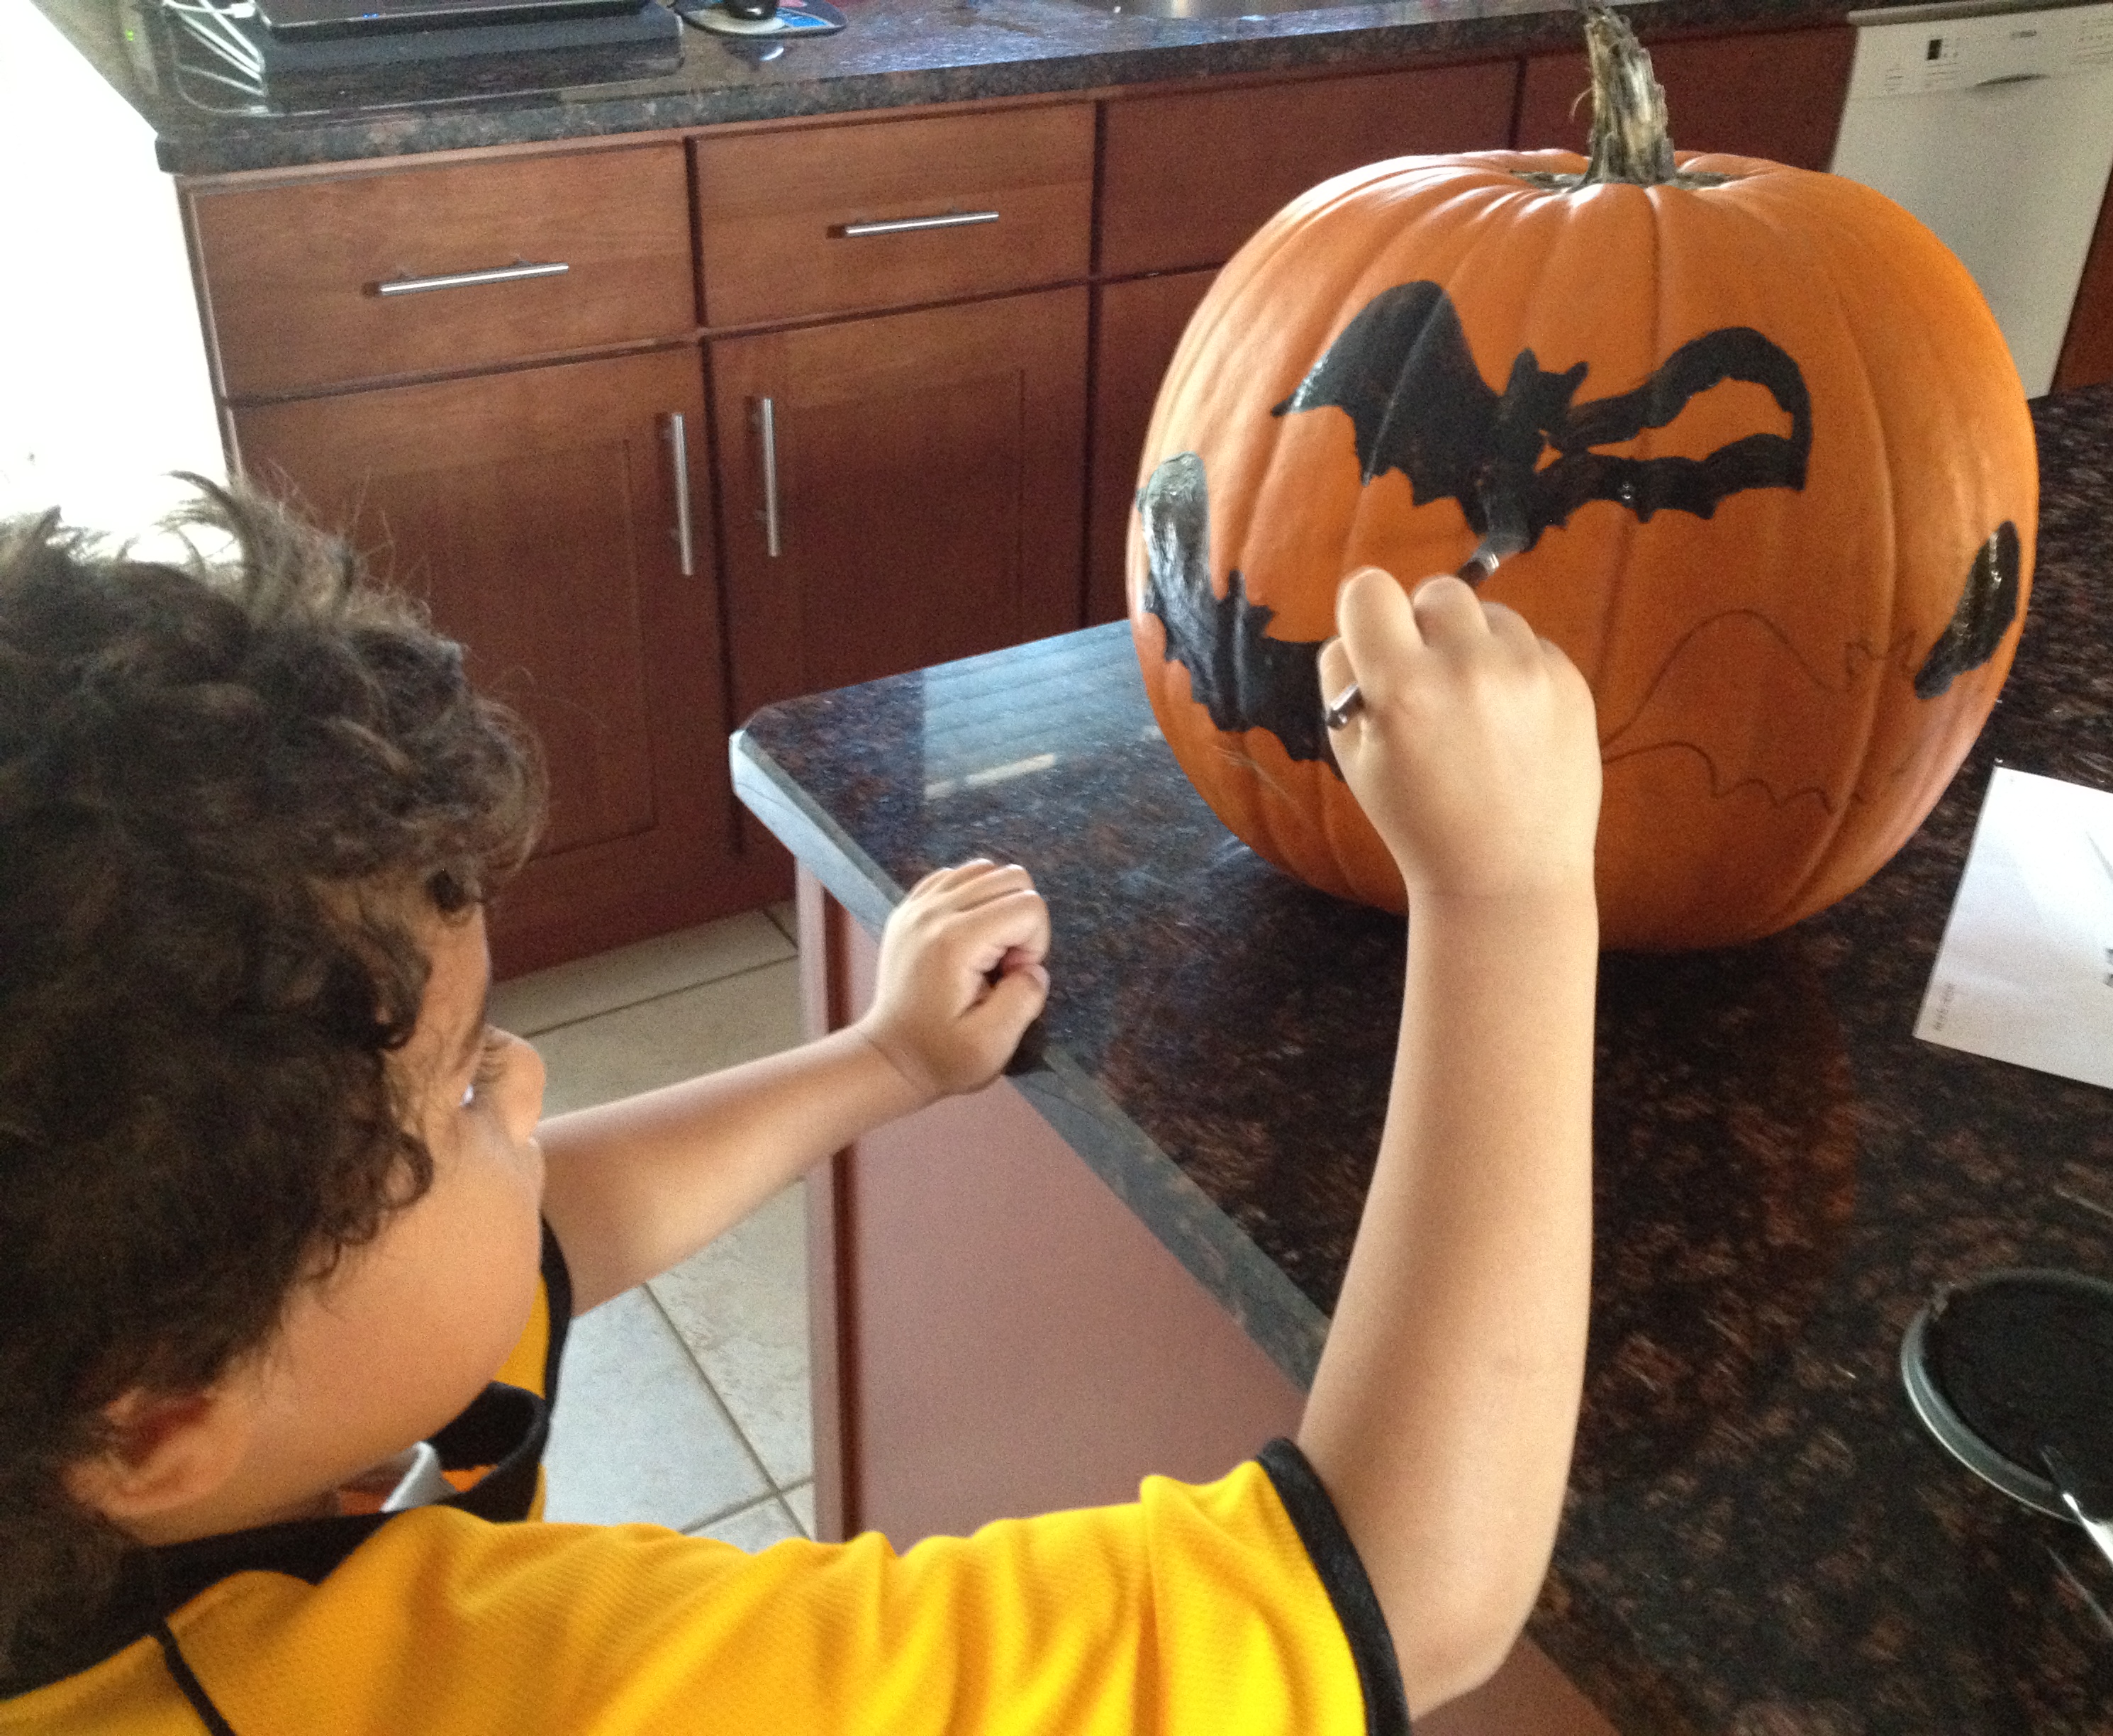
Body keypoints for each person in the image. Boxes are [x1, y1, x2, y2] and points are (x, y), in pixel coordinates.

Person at [0, 481, 1599, 1733]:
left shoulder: (122, 1380)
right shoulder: (543, 1696)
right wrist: (1509, 889)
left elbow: (524, 1241)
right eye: (472, 1083)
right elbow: (1403, 1584)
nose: (531, 1082)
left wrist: (882, 1062)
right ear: (160, 1426)